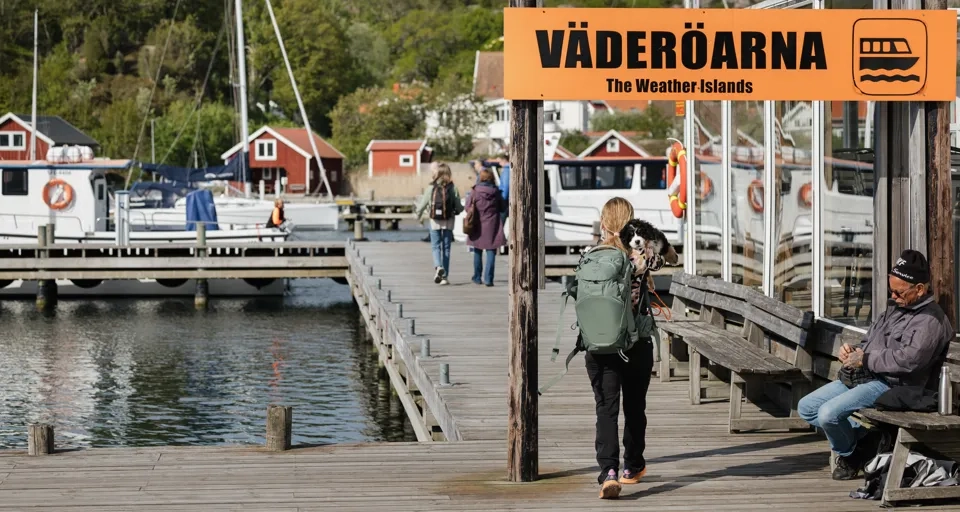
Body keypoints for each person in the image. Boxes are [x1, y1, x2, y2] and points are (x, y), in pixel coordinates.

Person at [798, 249, 954, 481]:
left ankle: (851, 456)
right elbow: (870, 340)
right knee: (807, 407)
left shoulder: (930, 320)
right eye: (891, 290)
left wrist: (866, 359)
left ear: (920, 289)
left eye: (899, 292)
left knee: (828, 414)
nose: (893, 296)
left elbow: (909, 361)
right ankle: (868, 439)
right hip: (865, 375)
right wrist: (853, 350)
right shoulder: (895, 307)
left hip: (892, 385)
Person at [586, 197, 654, 499]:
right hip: (636, 344)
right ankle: (632, 467)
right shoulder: (640, 258)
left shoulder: (591, 256)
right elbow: (671, 257)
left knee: (606, 409)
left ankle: (608, 472)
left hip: (600, 345)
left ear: (603, 223)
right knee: (635, 406)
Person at [414, 162, 463, 285]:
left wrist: (418, 215)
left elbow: (423, 203)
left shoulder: (431, 187)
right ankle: (444, 277)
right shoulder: (453, 187)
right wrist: (460, 209)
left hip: (435, 220)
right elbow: (458, 206)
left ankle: (438, 266)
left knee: (435, 246)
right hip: (449, 220)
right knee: (446, 248)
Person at [465, 168, 506, 286]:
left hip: (477, 224)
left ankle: (477, 277)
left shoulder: (475, 191)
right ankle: (489, 279)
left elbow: (467, 207)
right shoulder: (496, 192)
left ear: (480, 178)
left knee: (477, 250)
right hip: (492, 225)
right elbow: (503, 208)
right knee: (491, 251)